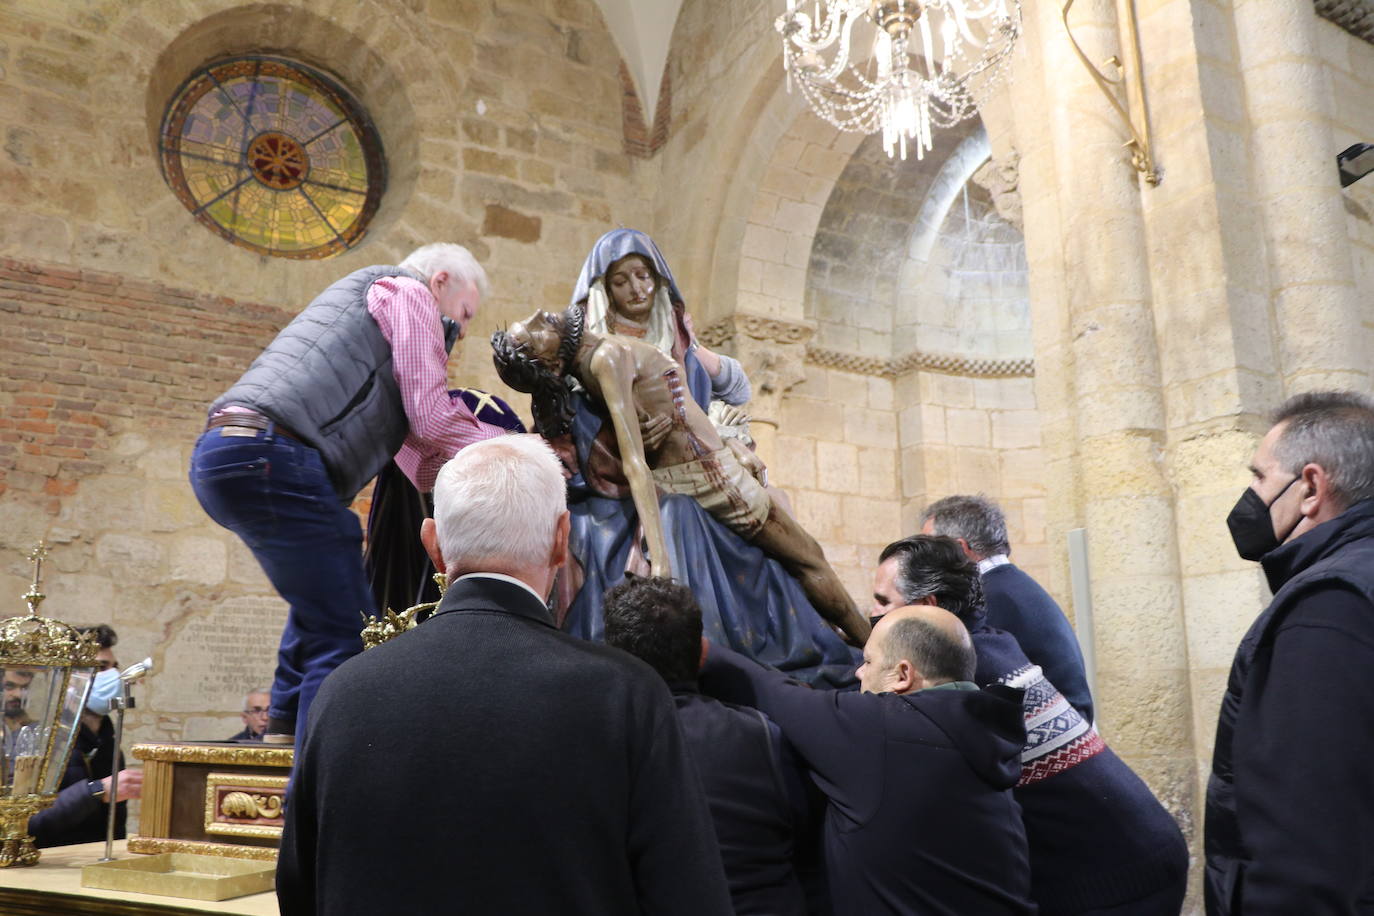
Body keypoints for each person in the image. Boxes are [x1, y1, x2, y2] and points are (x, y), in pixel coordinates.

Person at [278, 435, 731, 916]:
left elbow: (298, 887)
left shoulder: (343, 693)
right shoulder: (626, 696)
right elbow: (689, 896)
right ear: (562, 540)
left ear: (432, 544)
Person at [190, 243, 508, 744]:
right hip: (272, 452)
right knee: (346, 633)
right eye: (465, 314)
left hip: (227, 452)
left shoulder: (375, 329)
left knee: (327, 593)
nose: (462, 331)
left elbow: (416, 457)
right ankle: (322, 786)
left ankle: (282, 728)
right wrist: (517, 446)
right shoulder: (407, 292)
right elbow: (431, 419)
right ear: (441, 281)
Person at [493, 304, 870, 648]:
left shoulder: (600, 352)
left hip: (711, 461)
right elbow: (634, 463)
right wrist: (660, 562)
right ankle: (869, 647)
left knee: (804, 556)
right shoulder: (605, 360)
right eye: (530, 335)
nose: (536, 316)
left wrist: (730, 442)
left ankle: (862, 645)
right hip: (709, 476)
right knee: (808, 558)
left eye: (526, 321)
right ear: (552, 365)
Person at [875, 536, 1188, 915]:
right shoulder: (994, 643)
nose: (872, 616)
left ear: (926, 608)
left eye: (883, 603)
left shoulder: (967, 676)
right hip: (1140, 851)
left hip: (1117, 879)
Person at [698, 604, 1034, 916]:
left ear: (903, 675)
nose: (858, 673)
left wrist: (697, 649)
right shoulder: (986, 728)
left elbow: (771, 692)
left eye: (869, 662)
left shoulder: (881, 730)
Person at [1206, 390, 1374, 915]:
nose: (1250, 497)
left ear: (1309, 487)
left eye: (1259, 477)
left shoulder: (1326, 608)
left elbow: (1307, 850)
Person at [602, 576, 813, 916]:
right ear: (702, 653)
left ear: (615, 661)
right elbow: (804, 833)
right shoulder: (762, 734)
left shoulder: (603, 746)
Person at [921, 494, 1095, 721]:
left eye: (928, 548)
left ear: (959, 548)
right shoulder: (1008, 584)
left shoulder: (988, 597)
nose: (923, 559)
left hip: (1055, 737)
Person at [28, 625, 143, 848]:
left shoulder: (108, 742)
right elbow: (26, 824)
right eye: (100, 667)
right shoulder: (39, 740)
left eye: (113, 667)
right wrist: (94, 791)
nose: (113, 676)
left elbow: (114, 824)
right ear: (69, 677)